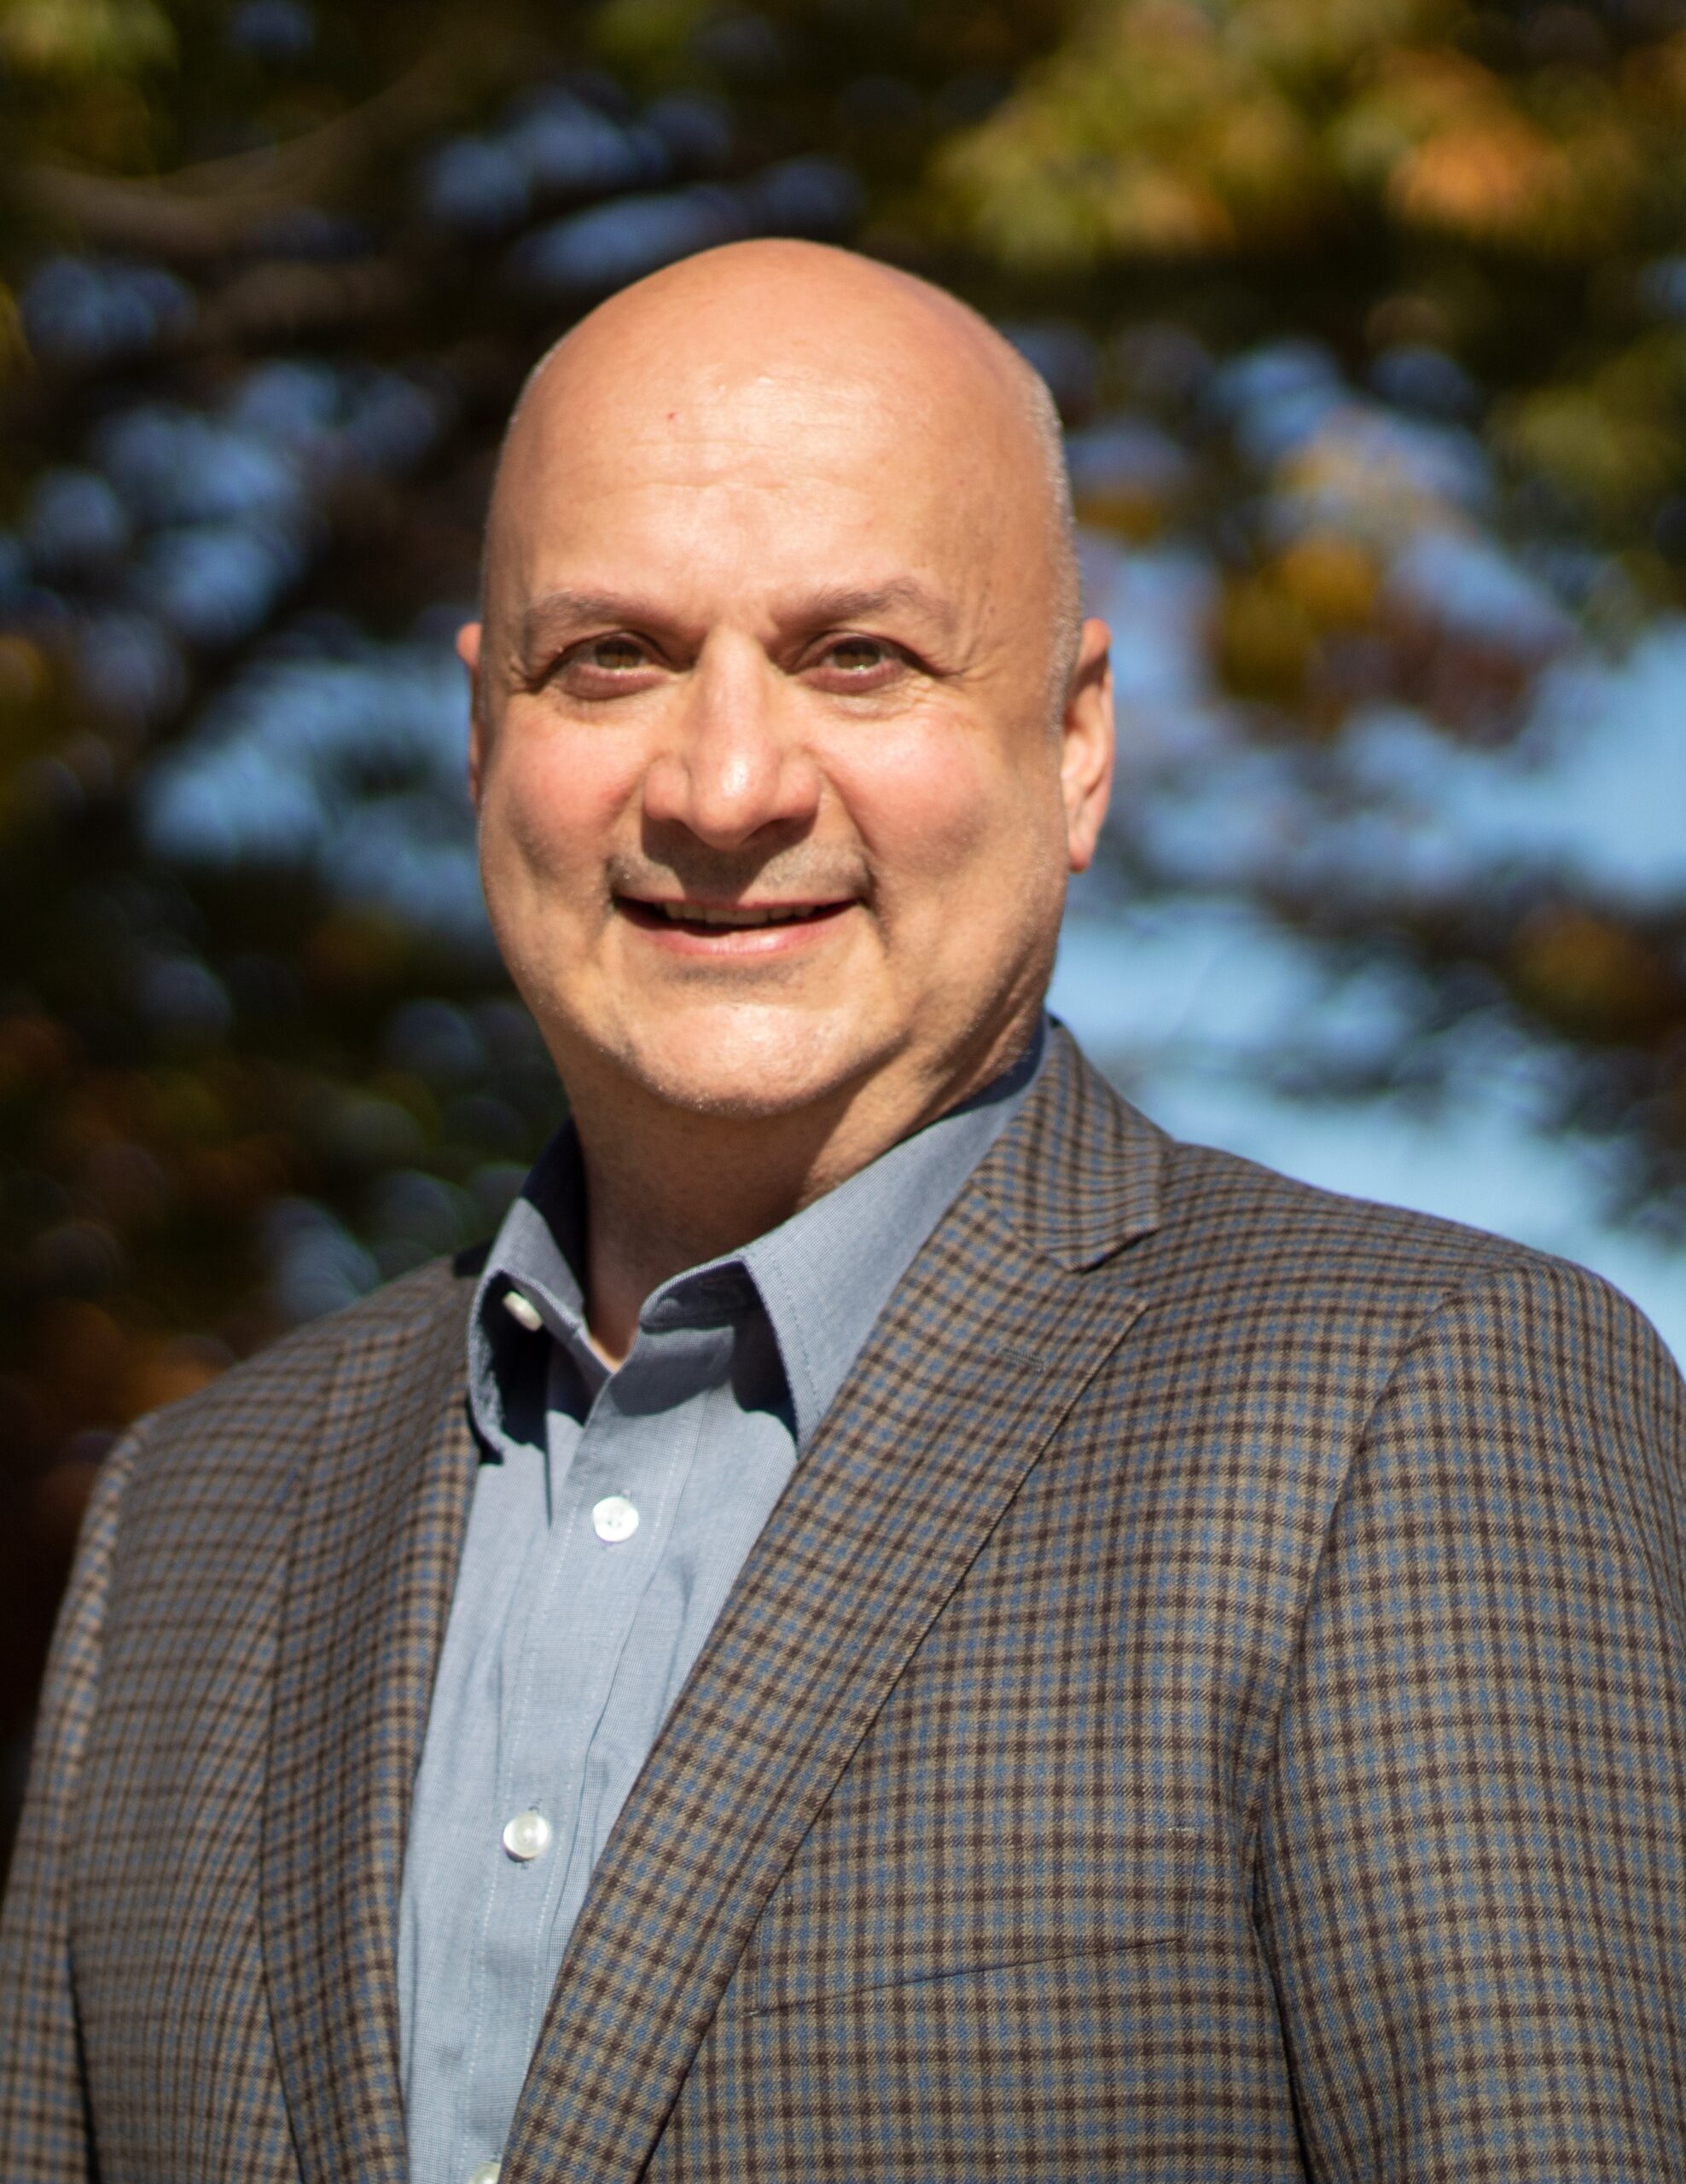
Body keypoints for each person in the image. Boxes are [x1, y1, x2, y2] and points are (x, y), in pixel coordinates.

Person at [2, 239, 1683, 2184]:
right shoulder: (187, 1517)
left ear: (1071, 738)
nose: (723, 784)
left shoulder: (1425, 1409)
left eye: (856, 656)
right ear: (484, 738)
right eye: (608, 656)